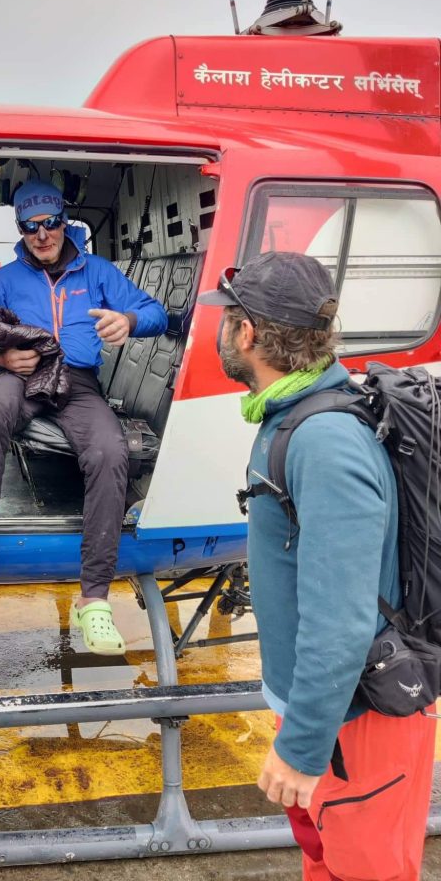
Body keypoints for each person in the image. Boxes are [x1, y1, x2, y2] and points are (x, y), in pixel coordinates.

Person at [198, 250, 436, 881]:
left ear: (247, 334)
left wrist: (301, 748)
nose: (220, 330)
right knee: (327, 860)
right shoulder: (291, 415)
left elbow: (341, 617)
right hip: (326, 706)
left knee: (367, 870)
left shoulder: (324, 442)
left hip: (357, 716)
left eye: (227, 319)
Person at [0, 180, 168, 655]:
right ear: (20, 227)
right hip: (21, 375)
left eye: (51, 222)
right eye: (30, 225)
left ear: (65, 220)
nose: (42, 234)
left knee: (109, 450)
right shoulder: (2, 279)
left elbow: (155, 312)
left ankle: (94, 599)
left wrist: (130, 322)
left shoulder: (97, 271)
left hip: (78, 381)